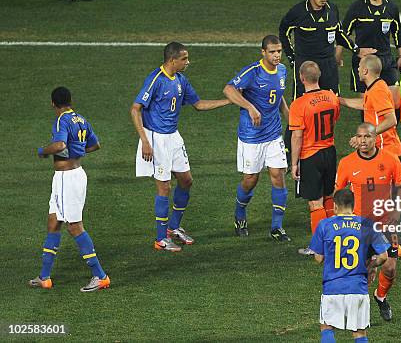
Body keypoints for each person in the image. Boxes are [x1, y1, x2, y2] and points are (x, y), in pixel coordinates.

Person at [131, 42, 230, 252]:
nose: (188, 62)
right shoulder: (156, 80)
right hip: (157, 139)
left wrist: (228, 101)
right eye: (184, 59)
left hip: (174, 137)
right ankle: (160, 238)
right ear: (172, 60)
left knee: (186, 180)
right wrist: (145, 141)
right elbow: (135, 109)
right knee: (164, 187)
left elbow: (198, 104)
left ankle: (173, 228)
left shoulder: (181, 80)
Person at [29, 86, 110, 292]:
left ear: (52, 103)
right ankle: (44, 277)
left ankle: (100, 276)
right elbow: (95, 145)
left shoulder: (61, 120)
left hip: (68, 178)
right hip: (67, 177)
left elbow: (59, 145)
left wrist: (42, 151)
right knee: (53, 222)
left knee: (74, 226)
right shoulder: (80, 119)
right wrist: (77, 152)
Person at [223, 35, 291, 241]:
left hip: (273, 134)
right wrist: (250, 107)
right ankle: (240, 213)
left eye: (279, 51)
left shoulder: (282, 71)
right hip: (251, 136)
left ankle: (277, 227)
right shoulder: (253, 72)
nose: (277, 55)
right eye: (272, 52)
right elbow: (228, 89)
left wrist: (291, 120)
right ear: (263, 52)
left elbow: (279, 97)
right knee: (251, 179)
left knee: (278, 175)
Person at [335, 123, 401, 322]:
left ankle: (381, 297)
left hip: (385, 224)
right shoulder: (347, 163)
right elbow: (338, 193)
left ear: (375, 138)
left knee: (390, 268)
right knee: (364, 272)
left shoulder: (390, 160)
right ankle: (360, 314)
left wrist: (397, 209)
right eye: (359, 137)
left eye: (367, 137)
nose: (363, 141)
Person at [309, 189, 389, 343]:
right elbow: (383, 256)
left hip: (332, 287)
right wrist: (371, 266)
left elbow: (318, 258)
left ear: (335, 206)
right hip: (358, 287)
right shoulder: (367, 224)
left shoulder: (325, 225)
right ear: (354, 205)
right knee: (359, 333)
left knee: (327, 328)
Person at [279, 0, 363, 100]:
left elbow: (339, 33)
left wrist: (356, 49)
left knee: (332, 103)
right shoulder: (297, 12)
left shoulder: (332, 9)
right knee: (304, 105)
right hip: (306, 65)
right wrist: (291, 57)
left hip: (328, 65)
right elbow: (283, 31)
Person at [289, 61, 340, 255]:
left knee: (314, 202)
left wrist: (294, 163)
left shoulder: (298, 104)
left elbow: (297, 136)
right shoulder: (331, 97)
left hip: (310, 156)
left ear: (302, 78)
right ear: (318, 77)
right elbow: (335, 119)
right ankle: (334, 242)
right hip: (330, 152)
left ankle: (319, 248)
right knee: (328, 198)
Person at [338, 0, 401, 94]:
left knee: (394, 100)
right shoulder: (357, 8)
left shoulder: (392, 8)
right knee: (366, 104)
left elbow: (398, 32)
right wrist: (339, 54)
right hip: (363, 61)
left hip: (386, 60)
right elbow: (342, 33)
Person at [340, 55, 401, 158]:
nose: (358, 69)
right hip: (381, 149)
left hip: (386, 150)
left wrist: (365, 136)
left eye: (359, 66)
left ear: (365, 71)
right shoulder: (374, 87)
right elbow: (365, 104)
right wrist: (339, 100)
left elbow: (391, 120)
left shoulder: (378, 91)